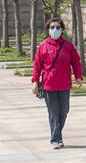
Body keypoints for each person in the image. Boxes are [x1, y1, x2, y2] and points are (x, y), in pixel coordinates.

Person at [31, 17, 83, 149]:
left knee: (64, 111)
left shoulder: (68, 45)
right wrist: (35, 82)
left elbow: (76, 61)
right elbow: (37, 65)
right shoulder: (43, 46)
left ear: (62, 30)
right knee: (53, 113)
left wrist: (78, 76)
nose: (55, 30)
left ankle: (57, 135)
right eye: (52, 27)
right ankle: (55, 139)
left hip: (64, 85)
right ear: (48, 30)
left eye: (58, 27)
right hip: (49, 86)